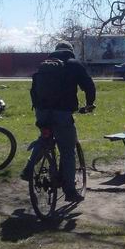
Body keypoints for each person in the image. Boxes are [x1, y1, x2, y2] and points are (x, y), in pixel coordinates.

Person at [23, 42, 96, 201]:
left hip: (41, 112)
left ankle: (29, 168)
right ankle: (70, 191)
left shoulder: (44, 65)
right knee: (67, 151)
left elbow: (34, 89)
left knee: (44, 138)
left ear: (55, 51)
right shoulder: (74, 65)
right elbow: (89, 86)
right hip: (62, 113)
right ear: (70, 51)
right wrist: (89, 104)